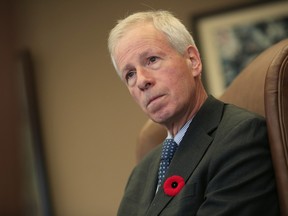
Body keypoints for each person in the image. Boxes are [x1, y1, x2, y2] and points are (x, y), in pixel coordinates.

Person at [108, 10, 279, 215]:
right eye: (130, 74)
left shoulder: (240, 137)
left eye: (152, 59)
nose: (142, 81)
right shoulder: (141, 172)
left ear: (193, 60)